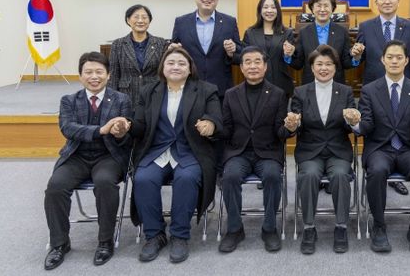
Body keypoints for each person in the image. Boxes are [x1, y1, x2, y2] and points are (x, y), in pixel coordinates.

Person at [129, 47, 222, 264]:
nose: (176, 67)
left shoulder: (206, 90)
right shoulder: (148, 91)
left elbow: (217, 118)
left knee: (186, 178)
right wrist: (127, 125)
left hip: (191, 151)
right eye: (171, 63)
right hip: (158, 151)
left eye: (181, 63)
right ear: (163, 67)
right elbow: (140, 125)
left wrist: (210, 125)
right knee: (143, 178)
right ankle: (154, 235)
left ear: (190, 69)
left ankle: (180, 235)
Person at [43, 52, 132, 270]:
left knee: (105, 183)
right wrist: (101, 130)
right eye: (88, 72)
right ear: (80, 76)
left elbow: (127, 137)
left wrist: (121, 131)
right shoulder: (69, 101)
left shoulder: (122, 100)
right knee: (55, 187)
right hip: (77, 156)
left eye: (99, 72)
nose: (94, 77)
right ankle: (59, 244)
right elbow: (68, 128)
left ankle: (105, 241)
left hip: (108, 156)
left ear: (108, 75)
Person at [356, 40, 410, 254]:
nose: (394, 61)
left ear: (406, 60)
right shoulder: (369, 90)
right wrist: (356, 124)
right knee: (377, 170)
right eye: (390, 57)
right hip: (380, 148)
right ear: (382, 60)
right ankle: (379, 225)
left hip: (408, 148)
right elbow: (367, 124)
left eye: (399, 57)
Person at [353, 0, 410, 196]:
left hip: (402, 90)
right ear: (376, 2)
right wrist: (355, 56)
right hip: (374, 91)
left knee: (400, 132)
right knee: (375, 135)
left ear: (398, 0)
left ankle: (397, 172)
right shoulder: (366, 26)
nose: (387, 1)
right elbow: (358, 59)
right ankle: (379, 172)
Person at [216, 46, 289, 253]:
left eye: (257, 61)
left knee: (273, 176)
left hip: (267, 153)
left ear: (265, 66)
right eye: (247, 62)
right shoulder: (231, 94)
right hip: (239, 152)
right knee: (229, 176)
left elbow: (280, 131)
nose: (253, 66)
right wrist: (212, 128)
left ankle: (269, 228)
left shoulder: (278, 94)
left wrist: (290, 128)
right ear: (241, 67)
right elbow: (226, 128)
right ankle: (234, 229)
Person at [290, 45, 360, 254]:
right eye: (319, 64)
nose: (324, 68)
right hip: (310, 150)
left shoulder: (345, 91)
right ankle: (309, 228)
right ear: (312, 67)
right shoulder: (301, 92)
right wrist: (293, 124)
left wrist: (353, 122)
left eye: (328, 64)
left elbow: (351, 126)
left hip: (338, 150)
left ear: (335, 68)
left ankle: (341, 227)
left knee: (340, 175)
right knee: (309, 175)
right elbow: (296, 123)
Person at [171, 0, 242, 100]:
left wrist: (232, 52)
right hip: (188, 87)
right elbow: (173, 51)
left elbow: (240, 55)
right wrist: (173, 49)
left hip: (220, 89)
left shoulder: (229, 22)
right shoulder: (181, 22)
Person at [289, 0, 355, 85]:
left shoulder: (342, 32)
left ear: (332, 8)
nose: (322, 10)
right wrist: (288, 56)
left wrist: (356, 57)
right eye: (319, 6)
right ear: (312, 8)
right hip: (310, 84)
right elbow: (298, 64)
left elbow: (346, 63)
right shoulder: (303, 32)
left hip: (336, 84)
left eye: (326, 6)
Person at [108, 4, 167, 103]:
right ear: (128, 20)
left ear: (149, 21)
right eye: (136, 17)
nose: (140, 20)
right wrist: (112, 101)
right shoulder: (118, 44)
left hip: (154, 95)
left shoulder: (160, 43)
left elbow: (164, 73)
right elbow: (113, 76)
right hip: (126, 97)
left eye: (144, 17)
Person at [239, 0, 295, 97]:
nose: (269, 10)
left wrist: (288, 55)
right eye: (265, 7)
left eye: (273, 7)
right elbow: (243, 57)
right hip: (256, 84)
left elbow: (292, 61)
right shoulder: (250, 33)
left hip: (281, 84)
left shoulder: (287, 33)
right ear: (260, 10)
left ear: (278, 11)